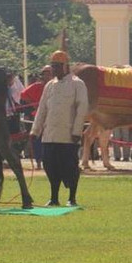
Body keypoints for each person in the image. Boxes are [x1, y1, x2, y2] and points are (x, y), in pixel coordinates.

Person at [31, 50, 89, 206]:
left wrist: (77, 131)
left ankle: (72, 198)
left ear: (66, 66)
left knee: (69, 167)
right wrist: (35, 131)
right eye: (53, 66)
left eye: (57, 66)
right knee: (50, 166)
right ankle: (54, 197)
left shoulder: (77, 84)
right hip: (50, 135)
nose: (54, 70)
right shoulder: (49, 86)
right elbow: (42, 109)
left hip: (68, 136)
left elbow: (81, 109)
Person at [20, 64, 53, 169]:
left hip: (52, 117)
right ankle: (38, 162)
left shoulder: (57, 86)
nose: (47, 76)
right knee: (37, 141)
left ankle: (49, 162)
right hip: (38, 117)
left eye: (49, 74)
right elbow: (24, 95)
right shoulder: (37, 87)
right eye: (45, 74)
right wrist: (33, 106)